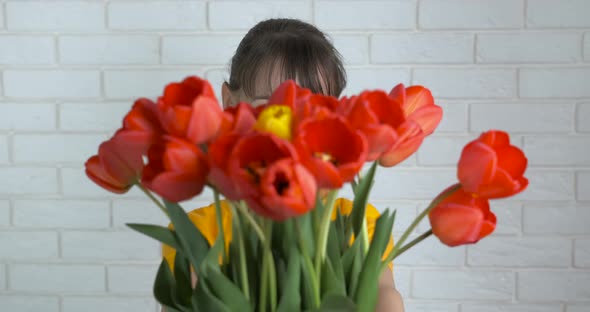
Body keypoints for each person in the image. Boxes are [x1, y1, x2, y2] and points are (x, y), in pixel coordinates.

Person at [162, 18, 405, 312]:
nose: (292, 123)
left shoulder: (356, 224)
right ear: (228, 102)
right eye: (269, 104)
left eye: (311, 106)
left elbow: (385, 295)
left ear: (335, 115)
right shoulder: (199, 232)